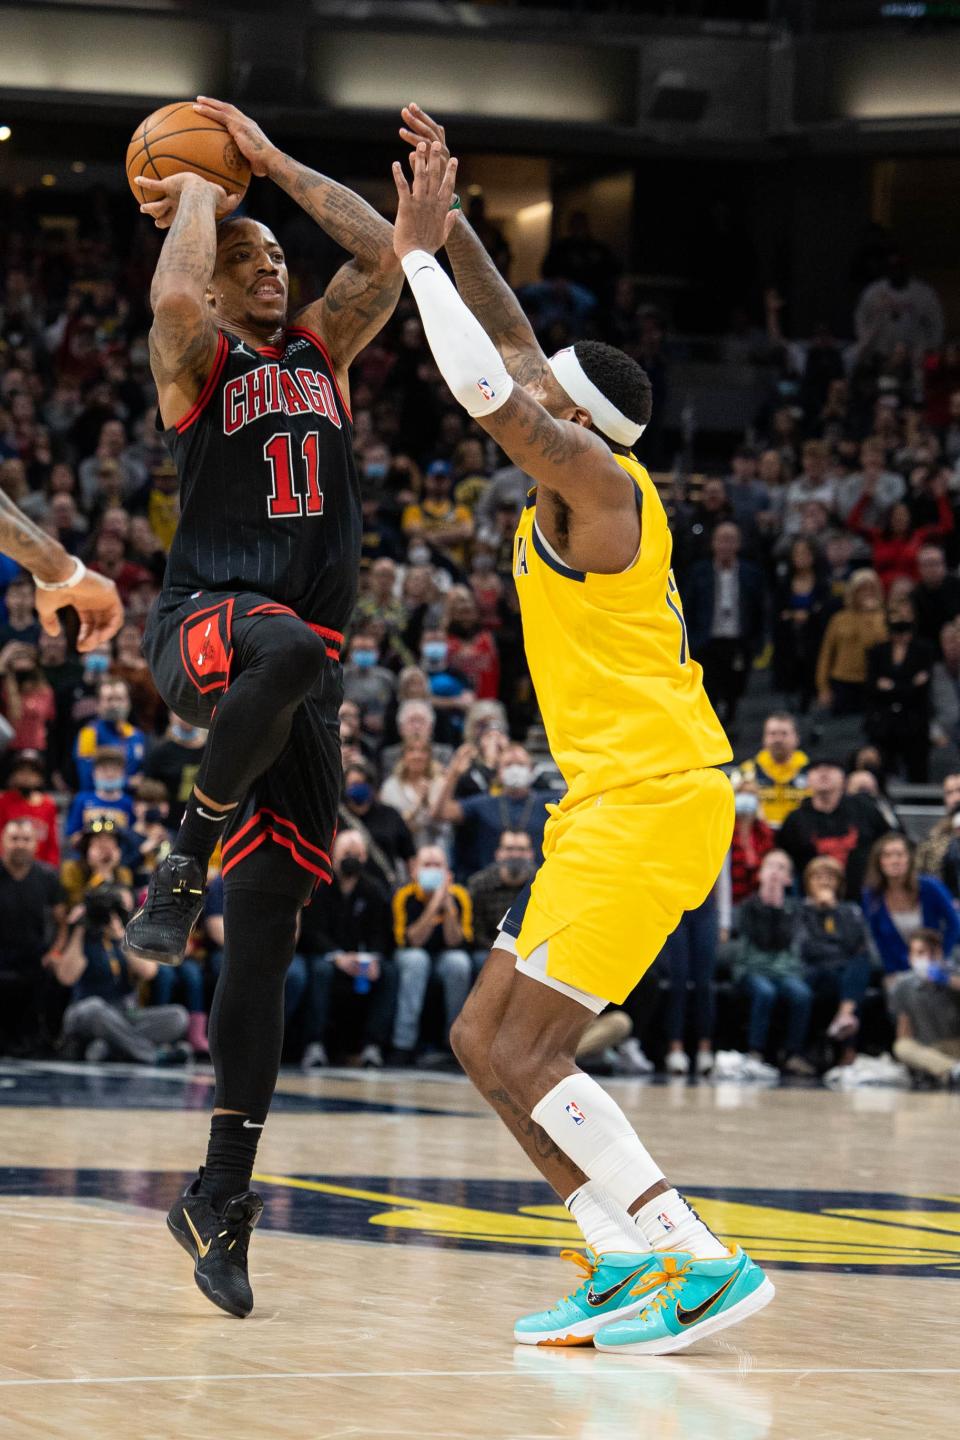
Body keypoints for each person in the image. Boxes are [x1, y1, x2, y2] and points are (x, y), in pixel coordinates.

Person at [393, 107, 769, 1354]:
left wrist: (412, 263)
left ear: (575, 420)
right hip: (610, 799)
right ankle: (614, 1255)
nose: (535, 366)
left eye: (554, 379)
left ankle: (696, 1257)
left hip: (656, 797)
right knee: (478, 1038)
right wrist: (448, 226)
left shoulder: (600, 492)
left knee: (533, 1047)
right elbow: (507, 338)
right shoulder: (583, 464)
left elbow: (488, 381)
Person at [126, 95, 405, 1317]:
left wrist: (272, 164)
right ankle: (180, 857)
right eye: (256, 257)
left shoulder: (323, 355)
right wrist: (197, 188)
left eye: (277, 255)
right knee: (287, 644)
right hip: (205, 628)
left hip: (299, 674)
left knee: (270, 938)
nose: (275, 266)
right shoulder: (201, 364)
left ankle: (220, 1195)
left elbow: (384, 254)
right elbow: (174, 302)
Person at [48, 887, 190, 1065]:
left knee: (178, 1016)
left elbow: (149, 972)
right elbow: (66, 978)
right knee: (95, 1007)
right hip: (85, 1012)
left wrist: (122, 938)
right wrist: (79, 929)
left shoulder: (129, 937)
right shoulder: (84, 936)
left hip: (123, 1014)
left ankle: (109, 1047)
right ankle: (151, 1054)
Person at [298, 831, 397, 1071]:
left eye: (357, 854)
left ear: (365, 858)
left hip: (360, 959)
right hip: (326, 956)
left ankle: (372, 1046)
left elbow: (382, 933)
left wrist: (372, 957)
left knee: (389, 972)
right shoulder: (317, 885)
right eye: (346, 853)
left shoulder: (374, 889)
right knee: (320, 971)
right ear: (333, 855)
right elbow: (311, 932)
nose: (351, 858)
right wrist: (338, 956)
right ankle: (314, 1044)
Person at [730, 851, 811, 1076]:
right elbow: (763, 940)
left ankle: (792, 1054)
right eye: (771, 866)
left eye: (782, 868)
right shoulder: (748, 906)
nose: (775, 872)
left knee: (801, 993)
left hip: (784, 971)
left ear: (789, 879)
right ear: (760, 874)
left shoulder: (794, 909)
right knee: (765, 992)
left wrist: (777, 909)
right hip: (753, 969)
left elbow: (783, 940)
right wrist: (768, 907)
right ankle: (755, 1052)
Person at [391, 843, 473, 1065]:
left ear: (448, 873)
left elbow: (455, 941)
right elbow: (412, 941)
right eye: (427, 865)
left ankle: (454, 1044)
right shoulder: (404, 896)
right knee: (417, 961)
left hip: (444, 956)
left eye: (438, 865)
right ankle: (403, 1044)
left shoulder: (460, 896)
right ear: (414, 870)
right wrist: (435, 903)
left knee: (459, 963)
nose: (433, 870)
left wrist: (446, 906)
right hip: (410, 956)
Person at [682, 521, 765, 730]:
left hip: (738, 642)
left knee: (735, 690)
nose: (725, 545)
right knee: (708, 691)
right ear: (713, 543)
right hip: (706, 642)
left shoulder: (751, 573)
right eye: (721, 540)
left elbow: (760, 610)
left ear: (738, 543)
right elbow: (687, 608)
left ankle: (731, 728)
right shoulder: (698, 571)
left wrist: (757, 643)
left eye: (731, 540)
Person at [432, 742, 560, 877]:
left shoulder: (549, 801)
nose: (515, 769)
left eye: (521, 764)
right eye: (509, 764)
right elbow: (441, 813)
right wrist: (454, 774)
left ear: (531, 769)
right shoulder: (484, 802)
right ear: (499, 772)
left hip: (539, 882)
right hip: (489, 887)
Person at [794, 856, 875, 1058]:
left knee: (861, 962)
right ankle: (848, 1047)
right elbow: (807, 948)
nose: (825, 881)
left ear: (839, 883)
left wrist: (834, 911)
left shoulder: (849, 910)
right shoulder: (799, 910)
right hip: (813, 971)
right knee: (851, 978)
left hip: (843, 972)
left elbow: (855, 944)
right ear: (807, 882)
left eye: (831, 877)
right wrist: (822, 914)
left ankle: (845, 1018)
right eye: (818, 877)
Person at [778, 755, 887, 901]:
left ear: (844, 778)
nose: (823, 773)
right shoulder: (795, 819)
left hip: (866, 900)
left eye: (830, 768)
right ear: (807, 780)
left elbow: (893, 840)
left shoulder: (865, 809)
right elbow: (781, 858)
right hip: (811, 905)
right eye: (816, 769)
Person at [0, 818, 65, 1054]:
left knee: (55, 978)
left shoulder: (47, 877)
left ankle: (48, 1039)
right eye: (14, 838)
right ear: (3, 841)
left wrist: (55, 951)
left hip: (35, 956)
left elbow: (62, 922)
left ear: (35, 844)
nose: (20, 844)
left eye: (26, 839)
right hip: (2, 955)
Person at [861, 833, 959, 979]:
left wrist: (941, 956)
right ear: (879, 862)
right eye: (887, 855)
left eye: (900, 855)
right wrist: (891, 971)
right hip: (897, 968)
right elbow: (876, 939)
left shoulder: (930, 886)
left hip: (937, 961)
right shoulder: (871, 895)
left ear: (909, 859)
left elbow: (954, 923)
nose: (894, 860)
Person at [864, 596, 934, 782]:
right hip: (884, 723)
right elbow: (872, 687)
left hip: (914, 722)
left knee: (917, 769)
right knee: (881, 768)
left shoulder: (923, 650)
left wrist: (892, 686)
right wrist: (909, 684)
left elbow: (922, 687)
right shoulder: (878, 651)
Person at [659, 888, 720, 1078]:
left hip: (706, 906)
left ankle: (705, 1049)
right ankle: (675, 1048)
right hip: (676, 902)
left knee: (704, 982)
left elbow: (723, 880)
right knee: (678, 980)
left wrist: (724, 922)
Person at [890, 928, 960, 1086]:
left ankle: (946, 1073)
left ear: (940, 953)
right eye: (920, 953)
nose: (927, 958)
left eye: (932, 953)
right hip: (929, 1050)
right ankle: (953, 1070)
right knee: (901, 1046)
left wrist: (948, 981)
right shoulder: (902, 985)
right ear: (910, 957)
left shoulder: (954, 974)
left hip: (956, 1043)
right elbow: (904, 1029)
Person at [772, 539, 835, 710]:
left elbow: (825, 613)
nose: (801, 557)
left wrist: (803, 616)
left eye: (805, 553)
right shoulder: (784, 584)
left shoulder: (823, 584)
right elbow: (778, 615)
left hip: (816, 644)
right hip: (789, 646)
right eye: (797, 553)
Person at [815, 569, 887, 715]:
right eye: (862, 589)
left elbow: (877, 645)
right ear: (853, 592)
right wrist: (823, 687)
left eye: (871, 589)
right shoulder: (839, 619)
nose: (867, 593)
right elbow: (826, 654)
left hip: (872, 682)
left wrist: (869, 616)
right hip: (843, 683)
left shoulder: (884, 619)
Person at [340, 760, 416, 889]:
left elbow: (410, 857)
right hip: (344, 891)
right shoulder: (337, 818)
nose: (358, 788)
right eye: (353, 784)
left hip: (383, 891)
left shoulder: (390, 815)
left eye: (363, 783)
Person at [467, 828, 536, 958]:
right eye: (509, 849)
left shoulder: (541, 884)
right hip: (489, 949)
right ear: (498, 853)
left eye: (521, 849)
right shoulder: (479, 883)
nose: (515, 855)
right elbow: (475, 932)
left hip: (529, 952)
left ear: (531, 854)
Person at [739, 712, 810, 830]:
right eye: (772, 734)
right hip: (760, 835)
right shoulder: (747, 771)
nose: (778, 739)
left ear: (797, 738)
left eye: (784, 734)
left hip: (801, 835)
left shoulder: (811, 771)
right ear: (764, 738)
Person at [74, 676, 145, 790]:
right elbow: (86, 779)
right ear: (98, 704)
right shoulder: (88, 734)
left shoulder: (136, 735)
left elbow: (142, 776)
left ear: (128, 703)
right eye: (109, 699)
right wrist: (128, 783)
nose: (115, 705)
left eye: (119, 699)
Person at [378, 738, 447, 850]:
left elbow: (444, 826)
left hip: (436, 850)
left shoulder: (440, 784)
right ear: (403, 757)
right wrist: (418, 804)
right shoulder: (390, 787)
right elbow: (394, 827)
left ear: (429, 757)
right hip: (404, 852)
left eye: (423, 751)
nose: (417, 756)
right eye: (411, 751)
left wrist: (428, 802)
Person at [142, 713, 208, 827]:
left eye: (188, 713)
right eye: (179, 714)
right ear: (171, 717)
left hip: (202, 820)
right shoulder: (160, 752)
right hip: (168, 823)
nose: (185, 719)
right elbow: (147, 789)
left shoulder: (209, 751)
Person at [64, 747, 137, 848]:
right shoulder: (81, 800)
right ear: (94, 773)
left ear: (123, 773)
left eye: (115, 770)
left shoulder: (129, 803)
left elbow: (134, 837)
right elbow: (72, 837)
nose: (110, 774)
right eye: (104, 769)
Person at [0, 748, 59, 865]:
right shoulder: (4, 801)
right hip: (8, 868)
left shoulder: (48, 804)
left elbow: (52, 844)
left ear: (40, 777)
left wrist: (51, 870)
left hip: (40, 870)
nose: (26, 776)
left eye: (32, 772)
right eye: (21, 771)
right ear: (14, 775)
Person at [915, 772, 960, 895]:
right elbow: (921, 874)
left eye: (959, 790)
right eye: (949, 793)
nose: (956, 798)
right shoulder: (932, 837)